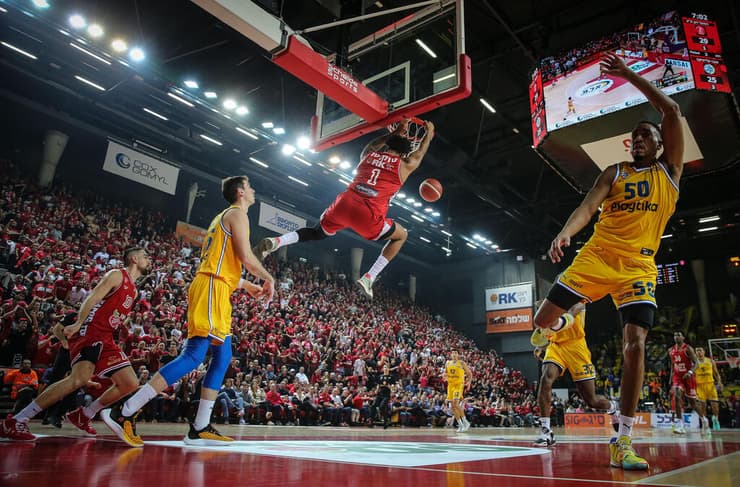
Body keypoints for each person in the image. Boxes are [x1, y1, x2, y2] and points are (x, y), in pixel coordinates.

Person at [533, 51, 684, 471]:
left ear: (659, 143)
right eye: (633, 137)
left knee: (634, 345)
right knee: (541, 321)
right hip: (596, 258)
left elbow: (670, 109)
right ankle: (575, 311)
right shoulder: (615, 172)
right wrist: (566, 232)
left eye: (645, 135)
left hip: (638, 268)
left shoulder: (669, 172)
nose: (637, 140)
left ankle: (623, 439)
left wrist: (628, 75)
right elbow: (586, 207)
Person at [103, 175, 274, 447]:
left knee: (223, 355)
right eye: (250, 187)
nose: (254, 190)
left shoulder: (225, 217)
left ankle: (200, 426)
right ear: (241, 192)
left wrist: (243, 284)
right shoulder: (236, 215)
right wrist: (267, 278)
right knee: (194, 355)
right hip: (210, 288)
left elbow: (222, 262)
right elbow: (245, 257)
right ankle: (124, 410)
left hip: (219, 288)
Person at [252, 119, 435, 299]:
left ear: (387, 145)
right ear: (404, 154)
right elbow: (418, 154)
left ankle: (276, 242)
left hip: (345, 203)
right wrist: (429, 135)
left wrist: (393, 133)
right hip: (369, 214)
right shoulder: (404, 165)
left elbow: (371, 145)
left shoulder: (368, 156)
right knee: (401, 235)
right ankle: (369, 278)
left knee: (316, 232)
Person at [0, 247, 150, 442]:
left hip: (106, 337)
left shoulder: (135, 291)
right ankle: (17, 420)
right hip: (91, 330)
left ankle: (84, 415)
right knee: (76, 380)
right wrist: (78, 322)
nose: (149, 260)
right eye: (145, 256)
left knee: (130, 382)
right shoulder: (116, 275)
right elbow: (93, 297)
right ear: (134, 259)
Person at [531, 302, 618, 446]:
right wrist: (542, 344)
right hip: (556, 347)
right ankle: (546, 431)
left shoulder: (578, 303)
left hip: (576, 347)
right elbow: (550, 328)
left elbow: (566, 319)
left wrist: (548, 319)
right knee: (545, 379)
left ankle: (612, 407)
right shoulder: (550, 302)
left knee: (592, 400)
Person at [669, 331, 701, 435]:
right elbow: (672, 365)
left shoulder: (688, 349)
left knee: (693, 403)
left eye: (678, 335)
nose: (676, 337)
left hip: (688, 377)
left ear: (683, 337)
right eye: (675, 335)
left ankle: (704, 420)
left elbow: (696, 363)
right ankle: (680, 425)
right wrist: (670, 378)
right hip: (677, 377)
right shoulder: (671, 350)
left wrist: (690, 372)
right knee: (677, 396)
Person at [694, 346, 723, 431]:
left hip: (710, 385)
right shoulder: (694, 362)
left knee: (715, 406)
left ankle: (715, 419)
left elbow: (716, 373)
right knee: (702, 406)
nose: (699, 352)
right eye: (697, 350)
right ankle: (704, 422)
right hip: (699, 386)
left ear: (704, 352)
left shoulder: (710, 361)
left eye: (700, 350)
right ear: (695, 353)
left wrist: (720, 382)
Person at [444, 350, 472, 432]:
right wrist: (444, 376)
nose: (454, 354)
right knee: (453, 407)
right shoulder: (447, 363)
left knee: (456, 403)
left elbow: (469, 373)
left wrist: (469, 382)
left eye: (456, 353)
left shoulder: (461, 363)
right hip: (450, 386)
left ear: (458, 355)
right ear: (451, 354)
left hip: (459, 385)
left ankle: (465, 421)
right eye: (453, 353)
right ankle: (460, 425)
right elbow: (446, 373)